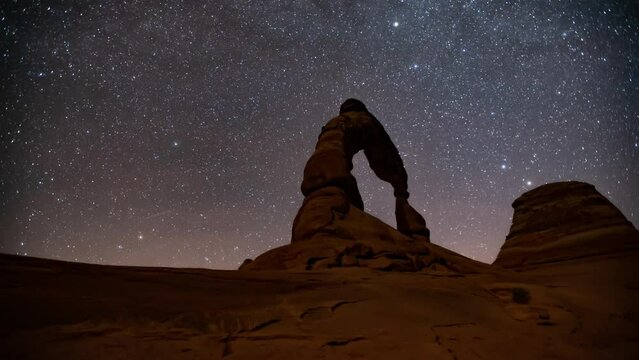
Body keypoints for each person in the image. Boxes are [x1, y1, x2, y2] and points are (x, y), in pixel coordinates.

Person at [292, 98, 430, 243]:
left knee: (331, 144)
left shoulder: (336, 124)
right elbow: (386, 157)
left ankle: (327, 204)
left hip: (319, 204)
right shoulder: (363, 120)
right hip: (332, 206)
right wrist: (400, 188)